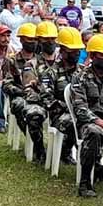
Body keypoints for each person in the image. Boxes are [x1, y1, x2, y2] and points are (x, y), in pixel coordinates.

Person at [71, 34, 103, 197]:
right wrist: (100, 122)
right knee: (94, 132)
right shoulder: (81, 77)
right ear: (92, 56)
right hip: (89, 123)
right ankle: (85, 183)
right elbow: (80, 109)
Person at [2, 22, 48, 163]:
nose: (33, 43)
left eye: (35, 40)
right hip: (20, 96)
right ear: (21, 40)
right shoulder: (12, 60)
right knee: (19, 106)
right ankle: (38, 147)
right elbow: (6, 83)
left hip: (39, 96)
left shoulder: (41, 60)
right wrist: (21, 91)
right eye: (29, 40)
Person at [39, 27, 83, 165]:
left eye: (78, 51)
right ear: (62, 51)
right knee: (76, 124)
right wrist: (69, 108)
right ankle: (87, 162)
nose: (76, 54)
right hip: (60, 115)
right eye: (72, 51)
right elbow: (47, 101)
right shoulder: (50, 73)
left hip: (83, 113)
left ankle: (92, 160)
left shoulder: (84, 72)